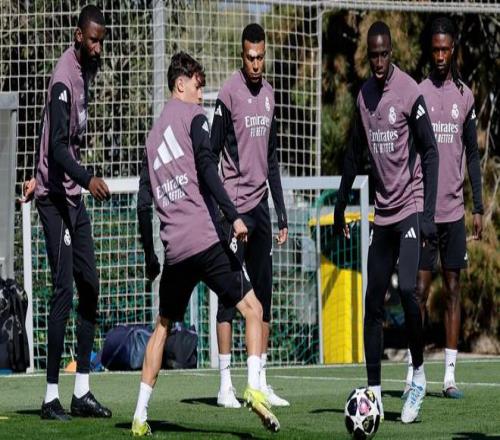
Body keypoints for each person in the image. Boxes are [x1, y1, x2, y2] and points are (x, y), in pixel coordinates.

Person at [131, 51, 280, 436]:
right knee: (253, 308)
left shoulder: (151, 140)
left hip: (174, 253)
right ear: (180, 83)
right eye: (198, 85)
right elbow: (207, 167)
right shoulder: (194, 117)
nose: (202, 94)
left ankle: (139, 416)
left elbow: (143, 204)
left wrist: (150, 257)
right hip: (206, 241)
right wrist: (234, 215)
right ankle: (253, 387)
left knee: (162, 327)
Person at [333, 21, 439, 424]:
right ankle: (374, 394)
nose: (379, 62)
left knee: (409, 289)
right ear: (368, 55)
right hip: (383, 212)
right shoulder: (364, 97)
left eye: (384, 54)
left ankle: (418, 375)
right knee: (373, 300)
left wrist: (427, 216)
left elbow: (430, 152)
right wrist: (341, 204)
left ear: (391, 52)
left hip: (410, 207)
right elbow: (353, 153)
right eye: (373, 55)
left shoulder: (409, 92)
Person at [20, 5, 111, 421]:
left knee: (90, 284)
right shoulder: (63, 79)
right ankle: (50, 397)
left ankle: (82, 391)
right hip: (55, 201)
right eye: (92, 40)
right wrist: (87, 178)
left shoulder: (83, 73)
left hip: (71, 197)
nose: (97, 48)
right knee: (63, 290)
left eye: (101, 41)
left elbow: (55, 141)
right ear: (78, 36)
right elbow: (57, 146)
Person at [402, 16, 483, 400]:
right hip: (423, 209)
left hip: (455, 211)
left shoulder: (465, 97)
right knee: (417, 290)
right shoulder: (417, 93)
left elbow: (473, 155)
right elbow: (406, 152)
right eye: (434, 49)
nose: (439, 56)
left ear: (453, 51)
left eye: (445, 49)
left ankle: (449, 376)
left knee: (453, 289)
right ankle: (414, 371)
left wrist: (478, 206)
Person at [211, 23, 289, 409]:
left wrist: (282, 215)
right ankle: (225, 384)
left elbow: (271, 160)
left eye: (260, 57)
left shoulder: (271, 95)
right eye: (250, 58)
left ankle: (260, 381)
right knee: (230, 296)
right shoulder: (228, 95)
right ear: (241, 56)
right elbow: (209, 155)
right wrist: (222, 212)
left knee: (264, 295)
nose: (256, 64)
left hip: (261, 209)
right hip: (235, 210)